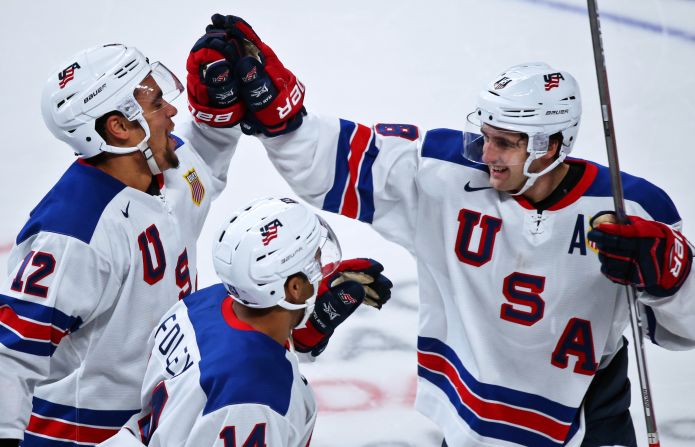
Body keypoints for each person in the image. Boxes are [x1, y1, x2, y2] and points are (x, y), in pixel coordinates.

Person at [188, 15, 695, 447]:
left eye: (507, 144)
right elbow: (330, 163)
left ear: (552, 143)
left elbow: (684, 329)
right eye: (487, 136)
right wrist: (284, 119)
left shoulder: (633, 210)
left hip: (589, 421)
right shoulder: (447, 175)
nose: (488, 155)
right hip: (471, 420)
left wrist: (672, 279)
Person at [0, 40, 251, 446]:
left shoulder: (170, 168)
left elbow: (201, 166)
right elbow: (9, 356)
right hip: (85, 436)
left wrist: (218, 110)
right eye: (155, 103)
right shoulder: (72, 234)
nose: (171, 110)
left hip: (158, 420)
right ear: (119, 127)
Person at [97, 197, 392, 447]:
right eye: (314, 262)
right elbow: (238, 376)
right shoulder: (255, 398)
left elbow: (223, 360)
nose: (323, 271)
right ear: (293, 288)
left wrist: (298, 335)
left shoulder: (203, 303)